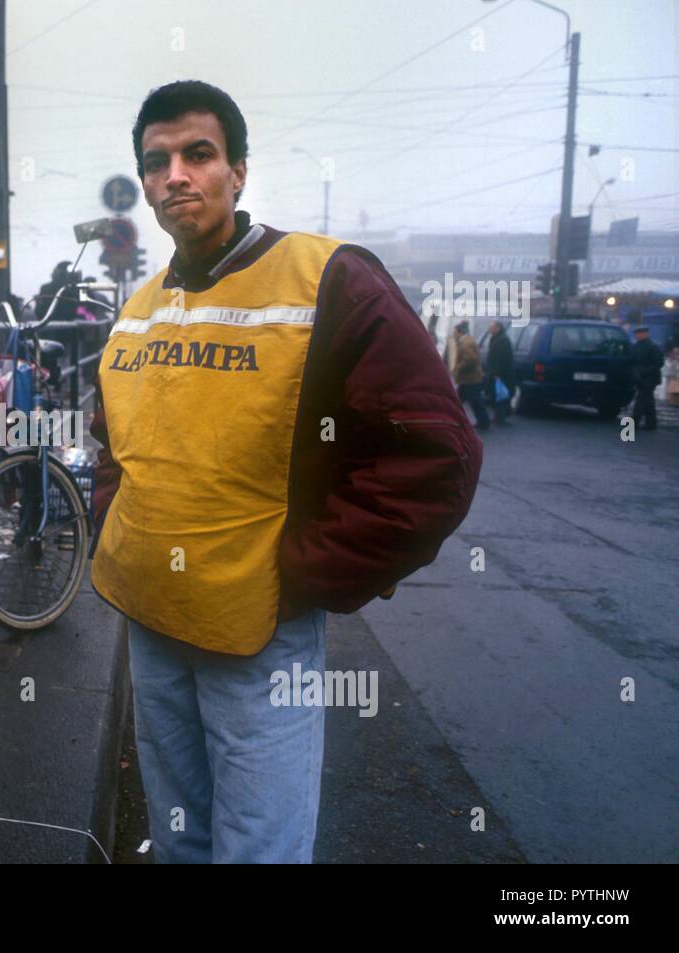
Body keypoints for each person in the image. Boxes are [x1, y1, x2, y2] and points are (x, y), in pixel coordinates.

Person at [87, 80, 481, 864]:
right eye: (157, 161)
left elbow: (436, 455)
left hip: (258, 634)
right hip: (152, 618)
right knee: (178, 837)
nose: (177, 175)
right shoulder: (137, 305)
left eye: (199, 153)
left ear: (238, 170)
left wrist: (305, 573)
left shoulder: (327, 278)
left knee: (257, 848)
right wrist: (115, 524)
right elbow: (114, 443)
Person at [450, 320, 490, 430]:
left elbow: (470, 360)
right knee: (470, 401)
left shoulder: (466, 343)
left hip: (469, 379)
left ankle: (482, 422)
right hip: (470, 378)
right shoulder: (467, 341)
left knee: (471, 402)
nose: (453, 334)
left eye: (455, 332)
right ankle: (483, 421)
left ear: (460, 332)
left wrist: (457, 368)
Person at [629, 324, 663, 431]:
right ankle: (651, 424)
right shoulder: (638, 346)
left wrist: (643, 372)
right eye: (637, 333)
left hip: (649, 378)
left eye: (640, 333)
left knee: (641, 401)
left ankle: (634, 423)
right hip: (641, 377)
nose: (638, 335)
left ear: (646, 334)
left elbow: (658, 363)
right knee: (648, 401)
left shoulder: (652, 347)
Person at [484, 319, 515, 425]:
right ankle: (499, 415)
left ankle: (500, 417)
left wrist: (497, 373)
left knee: (500, 395)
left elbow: (501, 359)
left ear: (498, 328)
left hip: (500, 374)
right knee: (497, 395)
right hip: (495, 372)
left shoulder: (502, 340)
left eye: (492, 327)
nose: (490, 329)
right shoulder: (497, 338)